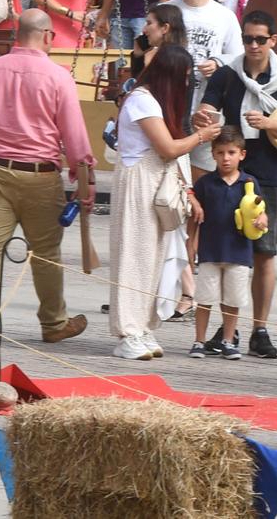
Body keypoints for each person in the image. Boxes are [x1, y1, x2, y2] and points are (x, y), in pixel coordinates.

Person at [0, 9, 95, 347]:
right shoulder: (58, 76)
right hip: (40, 174)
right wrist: (84, 181)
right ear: (48, 36)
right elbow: (74, 137)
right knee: (46, 252)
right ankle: (53, 322)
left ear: (17, 35)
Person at [200, 9, 277, 360]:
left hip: (269, 168)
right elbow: (206, 108)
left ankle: (259, 328)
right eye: (247, 38)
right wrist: (201, 116)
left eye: (260, 39)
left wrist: (266, 123)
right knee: (226, 252)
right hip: (232, 169)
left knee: (264, 253)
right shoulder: (229, 73)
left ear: (273, 41)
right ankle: (226, 329)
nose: (252, 45)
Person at [109, 43, 217, 360]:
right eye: (183, 77)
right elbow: (168, 148)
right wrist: (202, 136)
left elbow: (170, 144)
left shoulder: (156, 101)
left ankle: (142, 325)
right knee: (133, 256)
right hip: (139, 184)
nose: (186, 84)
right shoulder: (142, 100)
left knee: (154, 258)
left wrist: (193, 128)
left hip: (157, 185)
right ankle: (126, 331)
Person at [168, 0, 243, 178]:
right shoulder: (169, 10)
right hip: (171, 108)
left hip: (205, 110)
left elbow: (238, 56)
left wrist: (218, 62)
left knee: (200, 183)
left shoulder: (224, 16)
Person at [189, 126, 262, 359]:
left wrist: (262, 219)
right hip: (210, 251)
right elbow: (193, 211)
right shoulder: (206, 183)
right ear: (213, 154)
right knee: (204, 299)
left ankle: (228, 341)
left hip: (239, 253)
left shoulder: (249, 183)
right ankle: (199, 340)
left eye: (231, 152)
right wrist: (191, 246)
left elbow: (260, 210)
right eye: (220, 153)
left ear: (242, 154)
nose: (226, 158)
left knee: (233, 300)